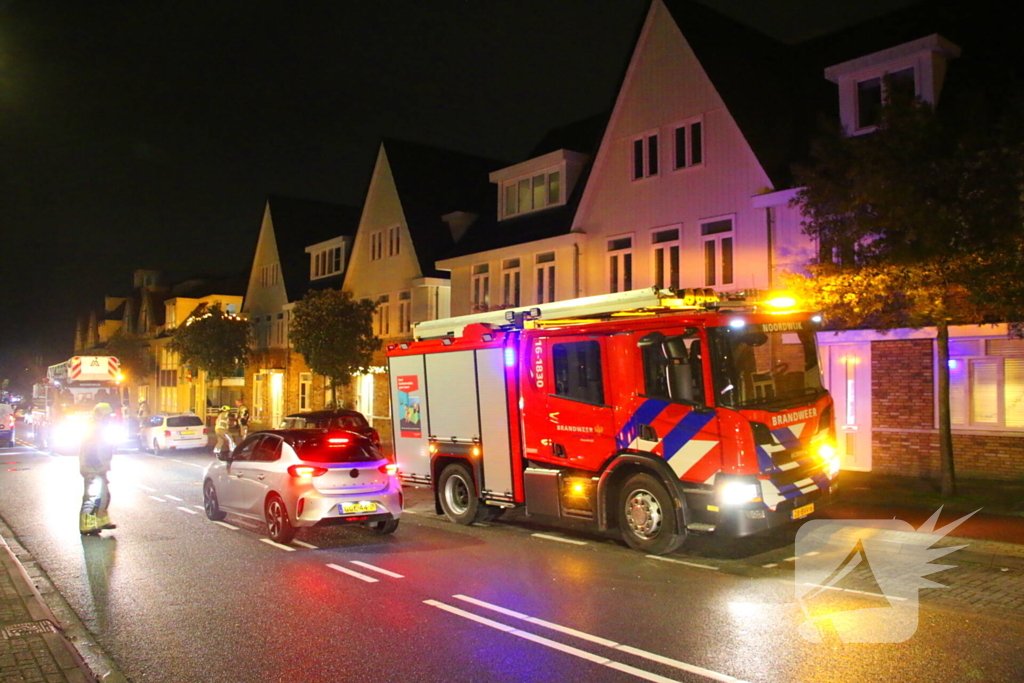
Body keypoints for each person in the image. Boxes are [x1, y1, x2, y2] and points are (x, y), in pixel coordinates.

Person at [80, 403, 117, 535]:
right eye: (106, 416)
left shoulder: (100, 428)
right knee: (92, 498)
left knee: (104, 496)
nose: (109, 418)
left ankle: (102, 521)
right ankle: (87, 526)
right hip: (93, 468)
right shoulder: (94, 429)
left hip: (99, 468)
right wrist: (98, 467)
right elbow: (91, 451)